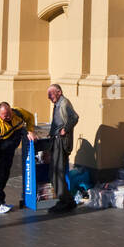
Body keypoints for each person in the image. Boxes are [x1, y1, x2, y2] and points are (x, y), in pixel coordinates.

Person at [0, 103, 35, 214]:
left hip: (8, 151)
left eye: (9, 114)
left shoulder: (18, 112)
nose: (8, 117)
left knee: (4, 176)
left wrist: (30, 130)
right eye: (4, 115)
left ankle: (1, 202)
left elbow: (30, 117)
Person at [47, 84, 79, 214]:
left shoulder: (64, 103)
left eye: (51, 94)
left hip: (61, 142)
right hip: (55, 141)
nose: (49, 97)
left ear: (59, 92)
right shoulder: (57, 104)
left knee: (57, 172)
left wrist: (65, 129)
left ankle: (65, 200)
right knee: (53, 173)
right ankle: (67, 199)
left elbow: (75, 117)